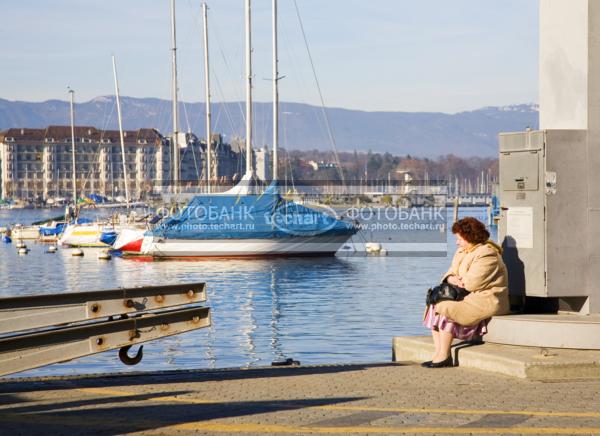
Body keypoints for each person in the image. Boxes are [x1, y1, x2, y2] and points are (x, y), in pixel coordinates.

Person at [422, 217, 509, 368]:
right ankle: (439, 352)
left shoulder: (487, 254)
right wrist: (451, 278)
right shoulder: (462, 251)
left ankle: (444, 355)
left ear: (470, 237)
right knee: (433, 303)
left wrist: (457, 280)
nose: (457, 242)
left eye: (459, 238)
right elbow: (450, 273)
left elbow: (473, 283)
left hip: (486, 299)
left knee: (446, 307)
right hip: (467, 295)